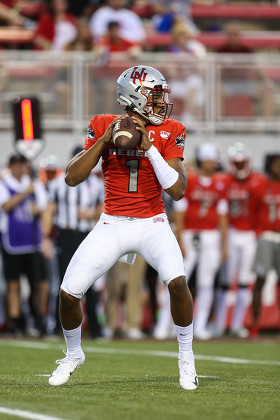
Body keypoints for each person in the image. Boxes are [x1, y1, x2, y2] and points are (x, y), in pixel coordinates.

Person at [48, 65, 198, 391]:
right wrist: (104, 141)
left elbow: (176, 189)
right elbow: (72, 178)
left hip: (153, 222)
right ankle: (73, 354)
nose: (161, 103)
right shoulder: (102, 123)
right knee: (69, 294)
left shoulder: (172, 129)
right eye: (155, 96)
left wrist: (149, 148)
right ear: (136, 96)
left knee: (177, 282)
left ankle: (186, 358)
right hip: (112, 222)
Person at [42, 146, 105, 338]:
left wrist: (92, 214)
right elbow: (49, 209)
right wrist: (45, 237)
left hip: (86, 234)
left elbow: (104, 208)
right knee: (63, 281)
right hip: (66, 234)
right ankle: (56, 328)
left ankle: (95, 329)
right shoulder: (59, 183)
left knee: (90, 282)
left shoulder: (95, 184)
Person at [174, 143, 228, 340]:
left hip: (211, 235)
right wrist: (179, 239)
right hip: (190, 233)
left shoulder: (220, 184)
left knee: (206, 282)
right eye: (209, 159)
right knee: (179, 279)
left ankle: (202, 323)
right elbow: (180, 213)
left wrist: (224, 244)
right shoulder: (191, 180)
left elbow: (223, 216)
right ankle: (170, 323)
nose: (212, 163)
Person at [214, 143, 266, 338]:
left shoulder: (259, 181)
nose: (239, 166)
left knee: (244, 281)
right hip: (231, 233)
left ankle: (236, 324)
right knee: (226, 281)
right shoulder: (224, 181)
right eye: (236, 163)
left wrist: (258, 231)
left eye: (242, 162)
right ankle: (220, 323)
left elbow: (262, 209)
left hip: (249, 235)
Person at [0, 154, 48, 336]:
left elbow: (42, 206)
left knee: (38, 283)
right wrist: (25, 194)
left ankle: (38, 319)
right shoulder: (5, 185)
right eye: (16, 165)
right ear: (11, 167)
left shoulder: (35, 184)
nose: (20, 169)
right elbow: (6, 206)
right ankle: (14, 321)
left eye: (23, 165)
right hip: (12, 241)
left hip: (33, 242)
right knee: (13, 284)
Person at [215, 22, 275, 120]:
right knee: (216, 91)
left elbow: (256, 68)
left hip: (247, 84)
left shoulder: (247, 50)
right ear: (227, 36)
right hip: (228, 85)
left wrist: (265, 79)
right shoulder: (220, 50)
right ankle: (218, 125)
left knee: (269, 88)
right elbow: (216, 71)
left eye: (235, 34)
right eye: (230, 35)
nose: (233, 37)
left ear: (239, 36)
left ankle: (267, 124)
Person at [249, 153, 280, 339]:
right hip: (267, 236)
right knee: (260, 280)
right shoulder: (260, 185)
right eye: (276, 164)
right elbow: (252, 211)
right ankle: (254, 326)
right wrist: (258, 232)